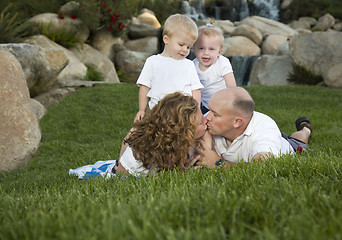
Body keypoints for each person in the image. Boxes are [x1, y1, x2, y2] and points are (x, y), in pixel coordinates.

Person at [195, 87, 312, 167]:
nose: (206, 118)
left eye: (215, 114)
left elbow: (264, 167)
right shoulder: (209, 121)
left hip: (285, 145)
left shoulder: (265, 129)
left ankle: (305, 128)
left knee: (298, 141)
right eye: (209, 110)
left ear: (237, 122)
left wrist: (218, 163)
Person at [114, 92, 207, 176]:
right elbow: (120, 179)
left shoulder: (194, 141)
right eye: (201, 122)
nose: (206, 121)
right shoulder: (139, 156)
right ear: (183, 133)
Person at [134, 14, 203, 122]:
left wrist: (196, 110)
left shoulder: (188, 65)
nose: (185, 50)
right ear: (166, 39)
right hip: (157, 114)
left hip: (182, 115)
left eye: (189, 47)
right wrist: (142, 110)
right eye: (181, 44)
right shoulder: (153, 62)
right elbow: (144, 87)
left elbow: (195, 89)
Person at [192, 22, 236, 114]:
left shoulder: (222, 62)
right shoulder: (193, 65)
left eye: (211, 49)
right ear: (194, 49)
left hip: (222, 104)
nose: (206, 53)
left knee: (222, 126)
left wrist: (231, 103)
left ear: (219, 52)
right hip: (204, 105)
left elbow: (231, 86)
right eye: (201, 48)